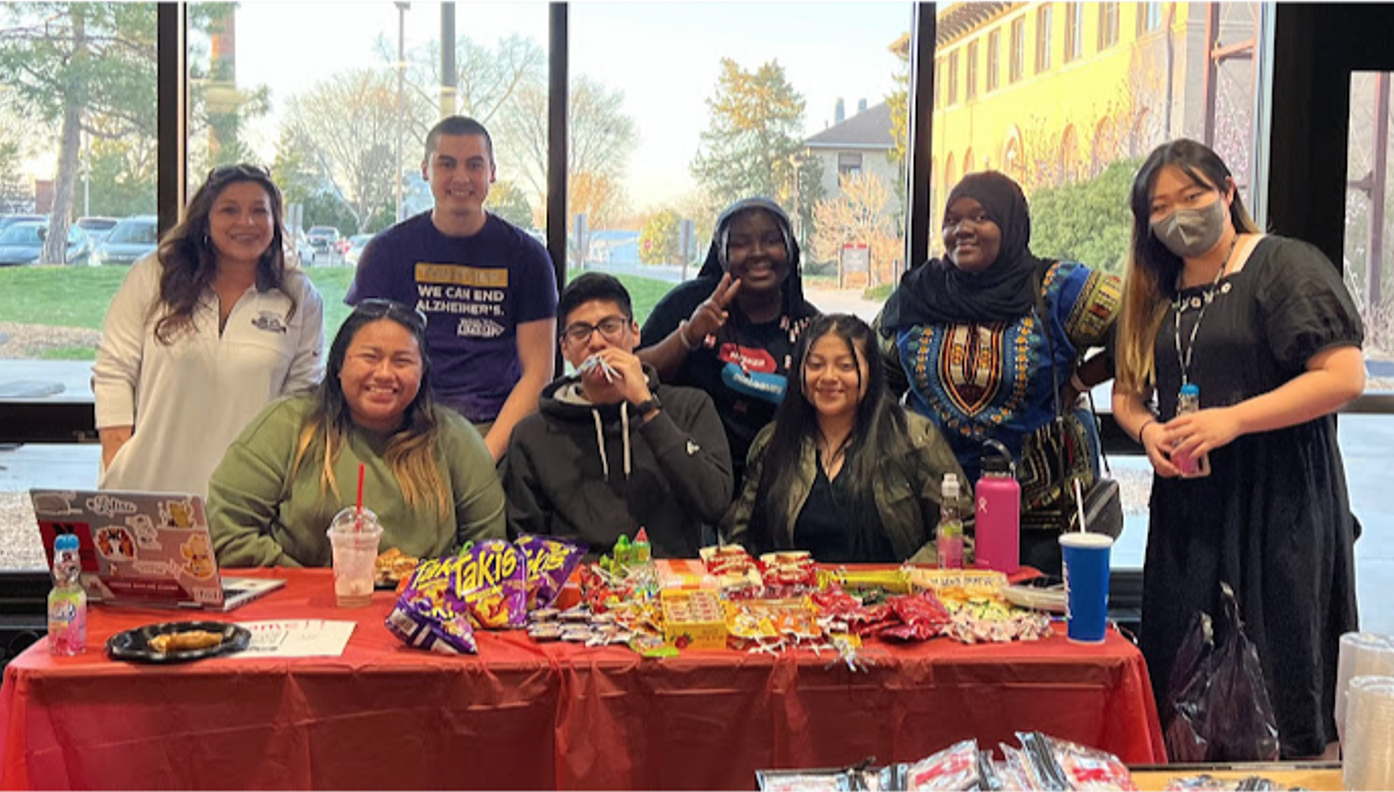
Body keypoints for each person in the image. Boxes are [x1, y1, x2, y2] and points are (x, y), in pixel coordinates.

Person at [1111, 139, 1364, 759]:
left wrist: (1234, 422)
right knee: (1185, 696)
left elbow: (1344, 376)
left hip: (1278, 508)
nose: (1178, 215)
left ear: (1227, 190)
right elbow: (1126, 391)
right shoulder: (1155, 288)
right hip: (1187, 513)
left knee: (1279, 686)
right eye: (1160, 206)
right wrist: (1147, 432)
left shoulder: (1282, 266)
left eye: (1192, 196)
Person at [877, 170, 1121, 574]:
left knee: (1035, 630)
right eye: (952, 220)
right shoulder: (919, 293)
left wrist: (1080, 380)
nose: (963, 230)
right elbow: (874, 373)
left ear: (1011, 224)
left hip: (1042, 517)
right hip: (937, 513)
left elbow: (1143, 330)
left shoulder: (1055, 288)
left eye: (981, 216)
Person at [208, 298, 506, 567]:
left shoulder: (455, 440)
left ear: (423, 372)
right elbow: (226, 531)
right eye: (370, 357)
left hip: (423, 612)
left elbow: (490, 552)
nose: (385, 373)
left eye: (402, 361)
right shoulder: (286, 425)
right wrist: (317, 588)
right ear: (339, 364)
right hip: (299, 611)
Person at [93, 164, 324, 499]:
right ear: (205, 218)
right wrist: (118, 455)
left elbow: (301, 398)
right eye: (230, 210)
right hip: (146, 490)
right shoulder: (154, 276)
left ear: (275, 222)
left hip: (244, 502)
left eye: (259, 211)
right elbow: (114, 369)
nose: (246, 222)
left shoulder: (299, 296)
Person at [346, 115, 557, 462]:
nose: (461, 177)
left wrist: (485, 458)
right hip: (406, 424)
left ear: (492, 172)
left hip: (496, 426)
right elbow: (364, 359)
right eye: (447, 164)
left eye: (474, 164)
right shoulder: (387, 252)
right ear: (426, 170)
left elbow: (538, 372)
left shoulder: (528, 258)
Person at [503, 273, 732, 558]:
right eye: (580, 332)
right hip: (577, 589)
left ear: (635, 332)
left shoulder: (689, 407)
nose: (597, 342)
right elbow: (525, 545)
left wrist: (647, 406)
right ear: (565, 348)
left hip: (669, 587)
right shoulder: (534, 435)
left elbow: (715, 503)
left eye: (609, 326)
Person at [723, 314, 968, 563]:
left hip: (895, 597)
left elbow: (966, 534)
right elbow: (740, 545)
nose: (829, 377)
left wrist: (907, 579)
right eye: (816, 365)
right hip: (796, 597)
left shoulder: (914, 438)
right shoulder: (773, 443)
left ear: (871, 371)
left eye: (846, 366)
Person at [638, 197, 819, 487]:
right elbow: (633, 375)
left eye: (772, 240)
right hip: (690, 477)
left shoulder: (810, 325)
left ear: (790, 252)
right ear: (721, 254)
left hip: (778, 483)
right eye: (740, 243)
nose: (758, 253)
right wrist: (688, 336)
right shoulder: (687, 303)